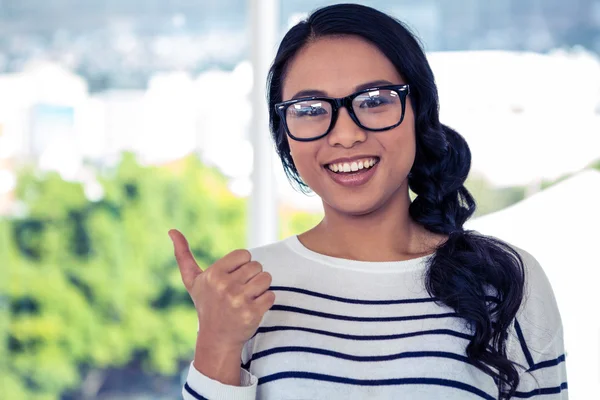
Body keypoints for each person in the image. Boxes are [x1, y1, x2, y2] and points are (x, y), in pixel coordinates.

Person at [171, 3, 568, 399]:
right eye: (309, 109)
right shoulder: (245, 292)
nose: (345, 135)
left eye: (375, 100)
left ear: (419, 111)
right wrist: (216, 344)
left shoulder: (506, 281)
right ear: (285, 136)